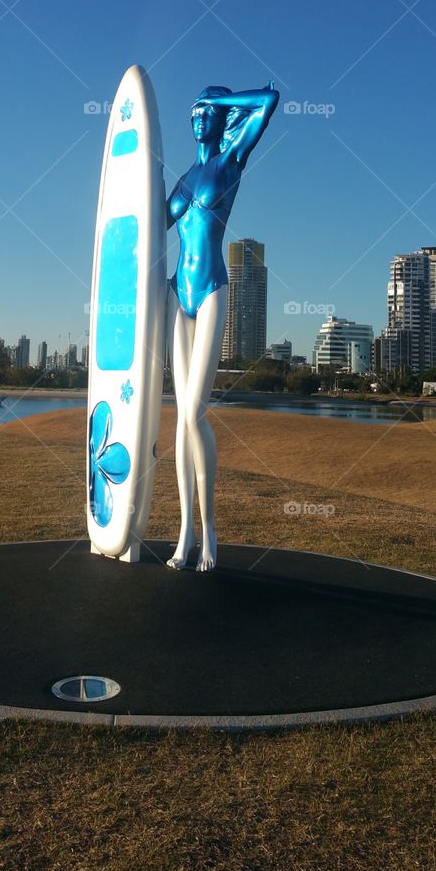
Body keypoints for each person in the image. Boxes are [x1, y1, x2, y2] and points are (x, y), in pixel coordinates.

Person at [165, 81, 280, 571]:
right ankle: (185, 532)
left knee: (195, 413)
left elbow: (269, 101)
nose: (197, 117)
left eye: (204, 111)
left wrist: (220, 100)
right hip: (177, 295)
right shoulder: (184, 178)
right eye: (193, 111)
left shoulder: (231, 160)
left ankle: (210, 528)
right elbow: (149, 226)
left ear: (220, 116)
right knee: (179, 420)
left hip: (211, 288)